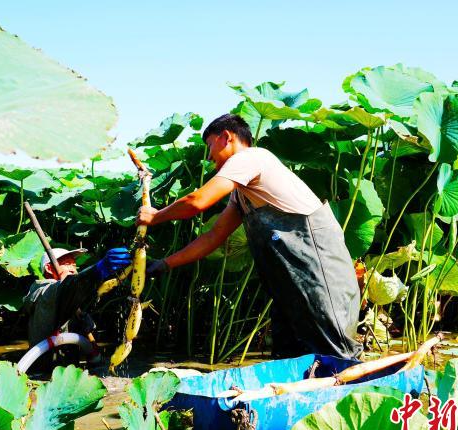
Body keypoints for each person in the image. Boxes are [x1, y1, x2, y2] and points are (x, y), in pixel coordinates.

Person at [137, 114, 361, 359]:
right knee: (293, 349)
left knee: (334, 345)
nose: (210, 158)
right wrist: (165, 264)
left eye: (210, 146)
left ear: (226, 137)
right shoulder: (242, 194)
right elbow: (213, 237)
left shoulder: (251, 157)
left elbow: (197, 202)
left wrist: (156, 216)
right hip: (290, 281)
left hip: (318, 264)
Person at [23, 246, 131, 366]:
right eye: (67, 264)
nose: (73, 269)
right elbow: (68, 286)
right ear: (49, 268)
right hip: (44, 370)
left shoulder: (73, 295)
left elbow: (81, 287)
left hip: (68, 370)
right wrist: (98, 269)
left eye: (74, 266)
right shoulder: (44, 291)